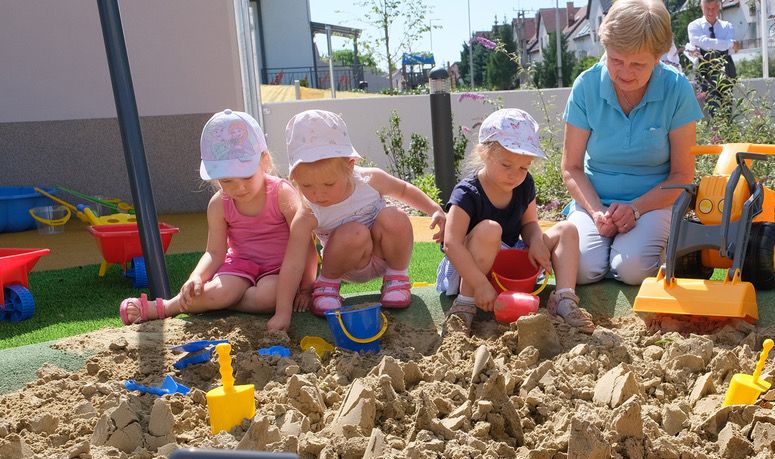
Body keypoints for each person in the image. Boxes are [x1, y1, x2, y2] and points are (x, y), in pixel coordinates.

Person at [119, 109, 312, 325]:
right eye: (227, 181)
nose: (239, 188)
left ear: (264, 162)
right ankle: (164, 306)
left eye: (247, 176)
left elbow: (306, 243)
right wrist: (196, 277)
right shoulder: (219, 204)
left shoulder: (281, 193)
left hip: (280, 269)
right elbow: (214, 252)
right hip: (240, 266)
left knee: (269, 297)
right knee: (216, 291)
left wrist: (307, 287)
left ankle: (220, 301)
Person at [562, 0, 703, 284]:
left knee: (631, 269)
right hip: (595, 201)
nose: (625, 73)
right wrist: (597, 211)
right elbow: (572, 167)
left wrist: (636, 208)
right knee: (581, 269)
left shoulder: (676, 89)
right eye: (616, 60)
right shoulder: (586, 86)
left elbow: (682, 175)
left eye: (638, 64)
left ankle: (655, 246)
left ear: (658, 56)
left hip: (654, 202)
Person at [271, 109, 445, 331]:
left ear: (350, 165)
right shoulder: (308, 212)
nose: (318, 194)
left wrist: (434, 209)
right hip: (346, 264)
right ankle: (328, 286)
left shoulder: (370, 180)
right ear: (294, 178)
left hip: (384, 255)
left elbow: (403, 189)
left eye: (328, 184)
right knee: (355, 232)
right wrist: (282, 312)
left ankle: (396, 279)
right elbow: (293, 262)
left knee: (395, 216)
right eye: (307, 186)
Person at [437, 109, 594, 334]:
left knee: (567, 228)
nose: (515, 175)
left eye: (523, 167)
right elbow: (451, 244)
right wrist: (480, 283)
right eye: (506, 165)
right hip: (469, 270)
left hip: (508, 260)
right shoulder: (467, 193)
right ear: (484, 153)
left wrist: (537, 240)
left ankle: (564, 298)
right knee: (491, 229)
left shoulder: (524, 184)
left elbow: (528, 224)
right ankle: (464, 306)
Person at [685, 0, 741, 114]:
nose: (710, 12)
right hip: (706, 72)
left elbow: (728, 50)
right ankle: (716, 133)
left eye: (713, 8)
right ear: (701, 7)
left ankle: (727, 133)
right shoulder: (694, 26)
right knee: (713, 109)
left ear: (718, 7)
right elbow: (705, 43)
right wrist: (730, 43)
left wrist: (726, 46)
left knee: (727, 109)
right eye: (707, 9)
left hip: (726, 69)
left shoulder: (727, 26)